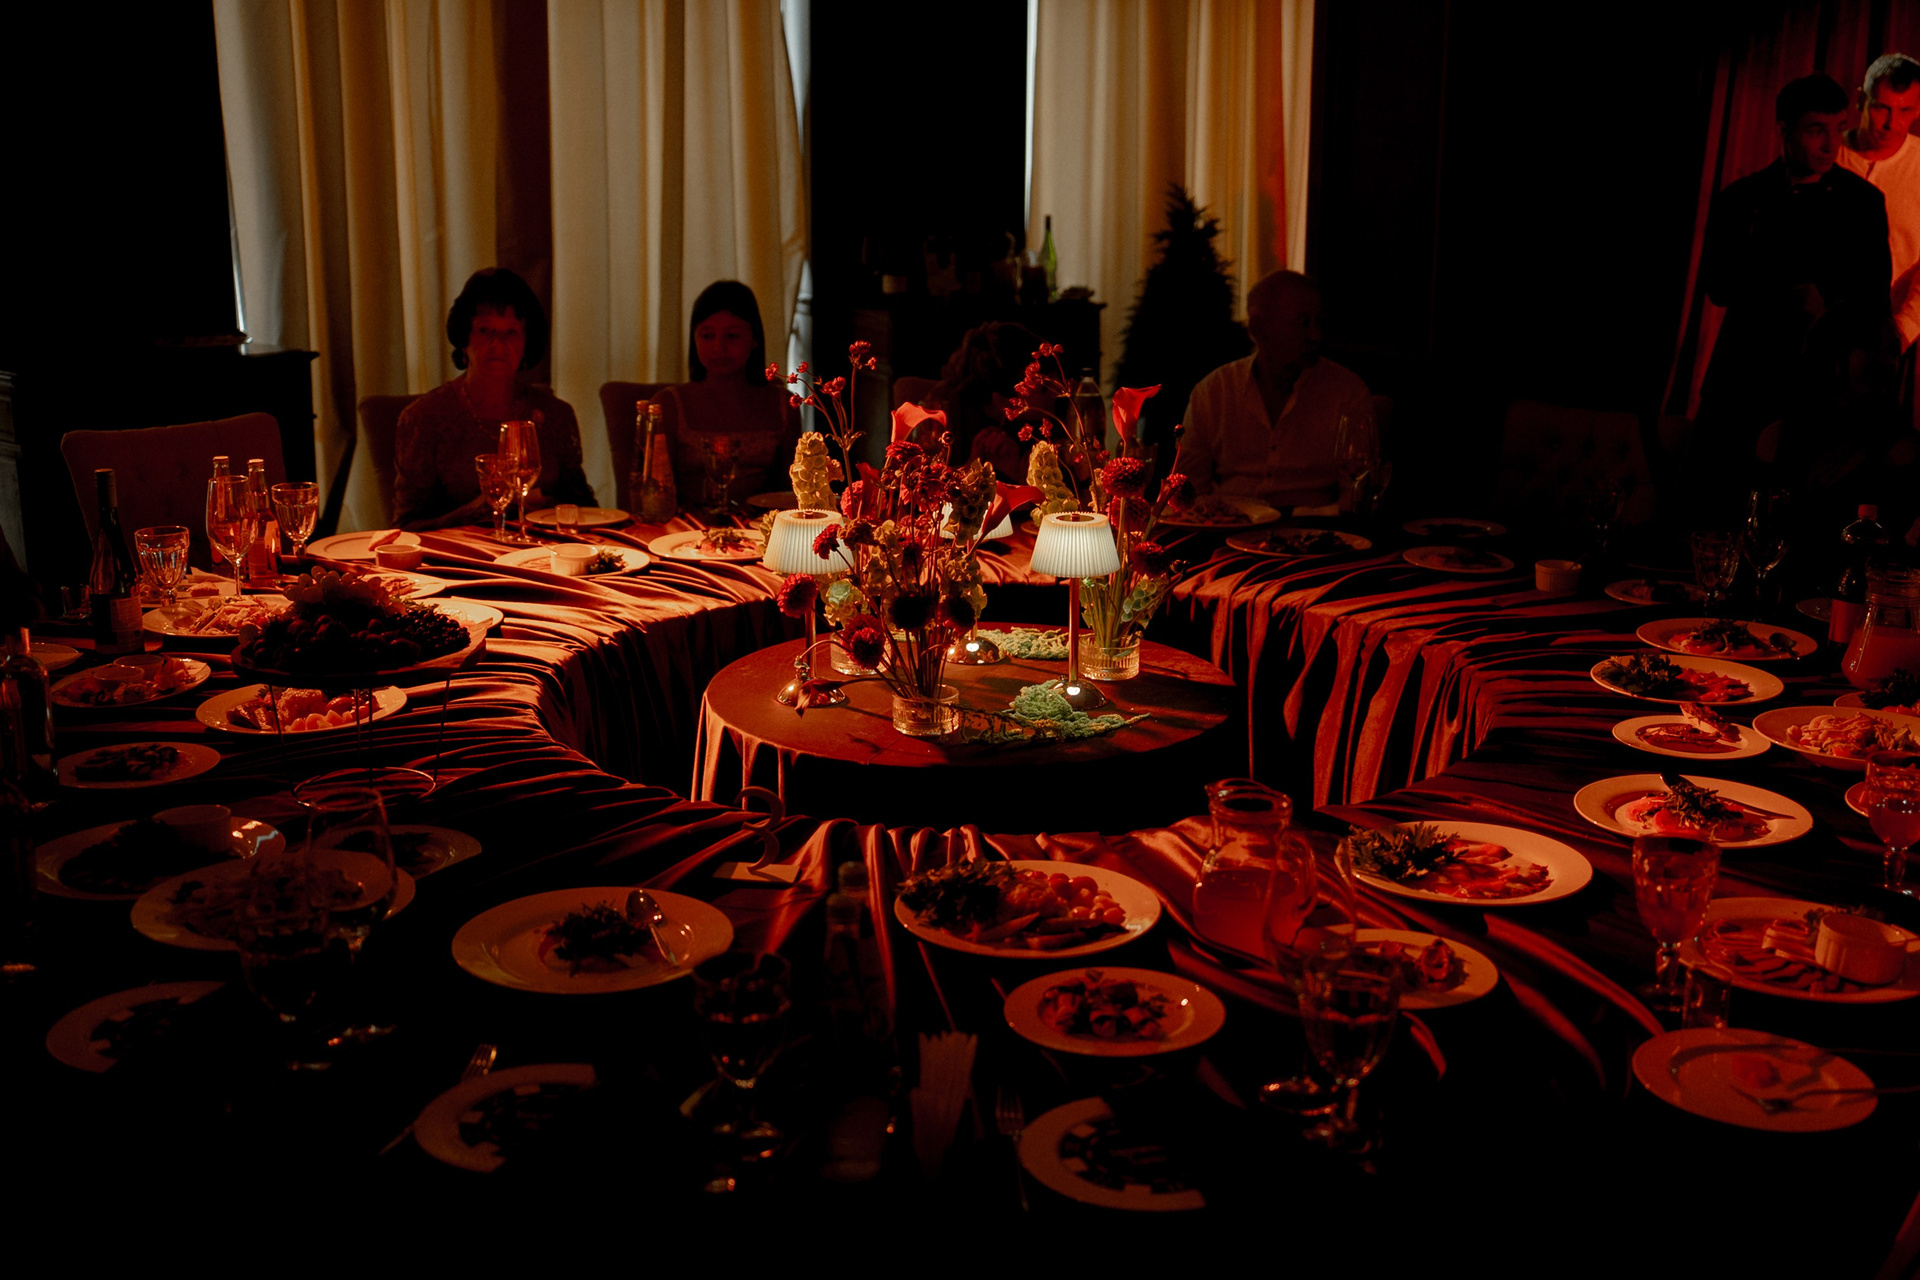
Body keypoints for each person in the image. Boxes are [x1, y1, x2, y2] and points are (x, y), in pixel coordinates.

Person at [1695, 72, 1892, 513]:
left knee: (1805, 519)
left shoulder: (1862, 203)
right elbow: (1718, 286)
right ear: (1783, 130)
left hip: (1822, 392)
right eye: (1816, 129)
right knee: (1719, 510)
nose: (1831, 144)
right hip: (1742, 384)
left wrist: (1830, 307)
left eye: (1838, 128)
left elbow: (1876, 302)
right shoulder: (1741, 198)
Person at [392, 268, 595, 530]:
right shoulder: (424, 418)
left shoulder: (554, 415)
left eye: (511, 332)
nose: (497, 343)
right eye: (485, 330)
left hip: (543, 550)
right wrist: (473, 512)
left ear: (526, 344)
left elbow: (587, 511)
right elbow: (405, 528)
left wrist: (548, 508)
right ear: (464, 339)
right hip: (456, 554)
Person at [1179, 270, 1373, 508]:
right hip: (1228, 521)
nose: (1316, 336)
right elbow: (1189, 487)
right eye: (1303, 323)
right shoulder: (1214, 391)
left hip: (1312, 525)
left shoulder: (1346, 392)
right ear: (1258, 329)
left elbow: (1356, 490)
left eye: (1319, 322)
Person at [650, 281, 800, 507]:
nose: (719, 348)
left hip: (764, 524)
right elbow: (654, 493)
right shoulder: (669, 405)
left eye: (732, 336)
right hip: (686, 524)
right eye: (707, 336)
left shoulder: (783, 405)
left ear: (754, 339)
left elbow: (792, 491)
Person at [1839, 53, 1920, 352]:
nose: (1892, 124)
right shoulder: (1828, 156)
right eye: (1881, 108)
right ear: (1861, 100)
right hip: (1812, 333)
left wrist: (1902, 329)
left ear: (1918, 110)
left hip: (1887, 338)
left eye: (1904, 110)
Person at [927, 321, 1043, 479]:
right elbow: (928, 480)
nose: (1056, 393)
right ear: (1003, 401)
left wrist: (1016, 473)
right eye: (1043, 389)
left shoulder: (1058, 419)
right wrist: (972, 465)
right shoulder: (949, 413)